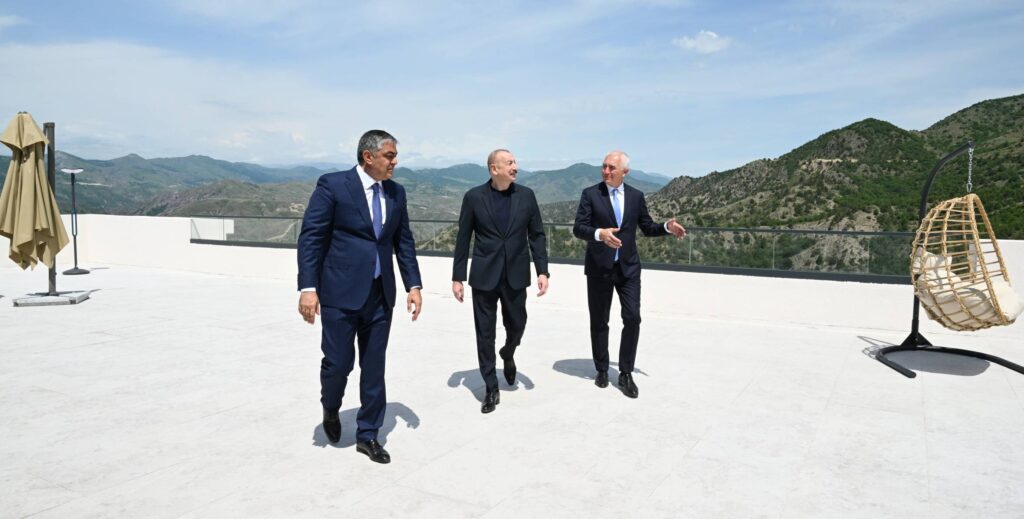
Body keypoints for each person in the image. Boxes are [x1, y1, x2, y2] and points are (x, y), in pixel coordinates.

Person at [297, 130, 423, 464]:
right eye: (390, 156)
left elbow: (403, 241)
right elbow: (311, 237)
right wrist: (308, 288)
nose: (395, 162)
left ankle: (368, 434)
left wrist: (413, 285)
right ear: (369, 156)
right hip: (339, 293)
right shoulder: (333, 185)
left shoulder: (396, 192)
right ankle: (330, 406)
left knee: (374, 367)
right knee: (338, 363)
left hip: (380, 295)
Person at [572, 150, 686, 398]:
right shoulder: (590, 194)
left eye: (611, 167)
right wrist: (599, 234)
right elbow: (579, 228)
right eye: (604, 166)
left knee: (633, 318)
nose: (605, 171)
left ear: (625, 171)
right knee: (599, 321)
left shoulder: (636, 196)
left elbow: (647, 227)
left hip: (628, 269)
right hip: (599, 268)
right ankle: (602, 369)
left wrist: (667, 227)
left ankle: (625, 372)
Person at [452, 149, 549, 414]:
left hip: (516, 274)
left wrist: (542, 271)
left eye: (515, 162)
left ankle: (508, 352)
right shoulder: (474, 197)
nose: (515, 166)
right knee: (484, 333)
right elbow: (463, 238)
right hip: (484, 275)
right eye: (509, 163)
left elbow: (537, 235)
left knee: (518, 324)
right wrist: (458, 276)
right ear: (494, 169)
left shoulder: (526, 196)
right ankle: (490, 386)